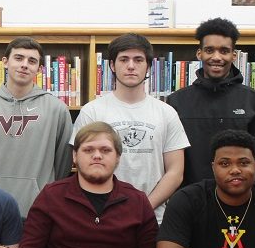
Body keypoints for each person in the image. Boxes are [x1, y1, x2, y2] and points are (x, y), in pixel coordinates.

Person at [72, 33, 189, 222]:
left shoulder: (167, 113)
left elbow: (175, 172)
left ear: (148, 66)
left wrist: (143, 208)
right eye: (124, 59)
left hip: (152, 217)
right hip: (101, 216)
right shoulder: (91, 111)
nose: (131, 66)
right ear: (112, 65)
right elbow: (83, 164)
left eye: (138, 60)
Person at [20, 121, 158, 248]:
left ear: (118, 157)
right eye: (88, 150)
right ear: (74, 156)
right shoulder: (51, 197)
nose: (97, 156)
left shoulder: (137, 201)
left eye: (105, 150)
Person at [0, 36, 72, 218]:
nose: (24, 65)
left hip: (40, 210)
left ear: (39, 69)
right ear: (5, 62)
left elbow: (63, 163)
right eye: (19, 58)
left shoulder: (57, 109)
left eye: (31, 61)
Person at [166, 18, 255, 186]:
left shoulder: (253, 101)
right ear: (199, 54)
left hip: (237, 199)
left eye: (224, 51)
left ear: (234, 55)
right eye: (209, 50)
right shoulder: (176, 102)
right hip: (189, 201)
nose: (216, 57)